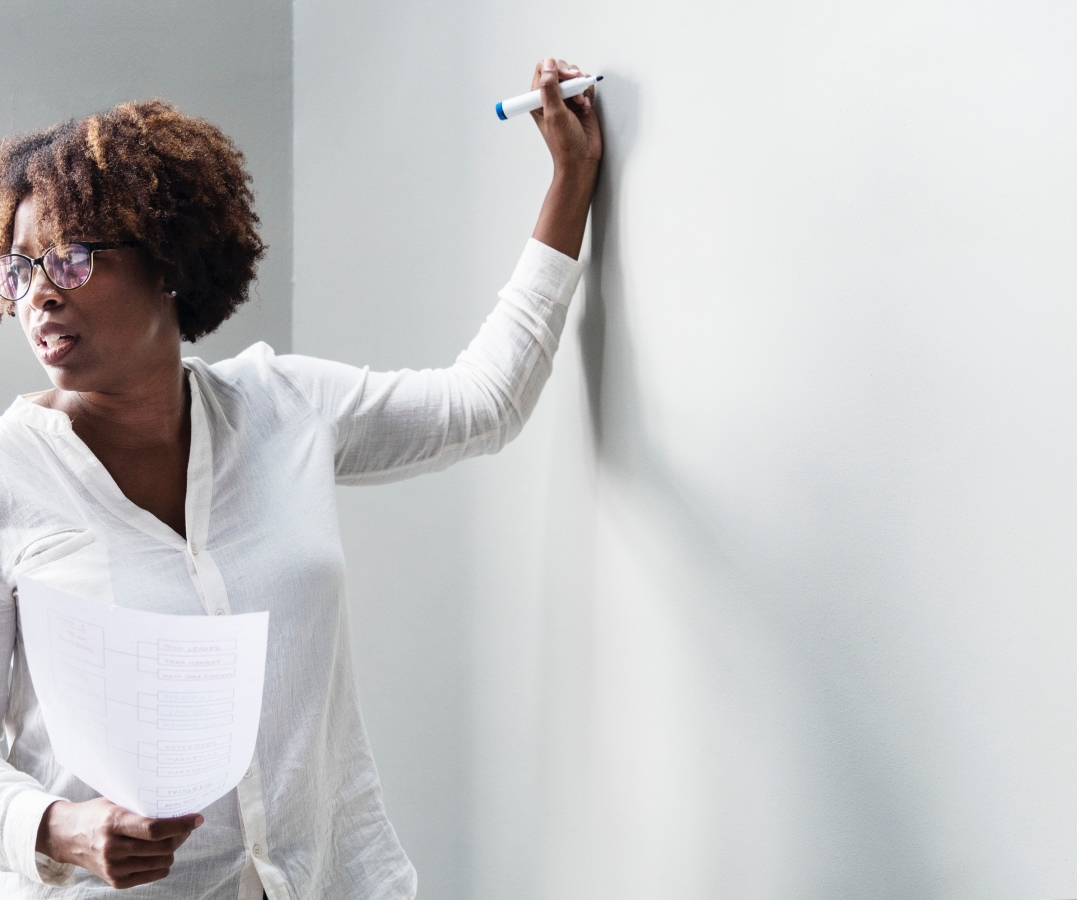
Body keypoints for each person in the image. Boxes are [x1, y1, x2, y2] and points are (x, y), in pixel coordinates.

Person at [0, 57, 601, 898]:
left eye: (69, 258)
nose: (38, 296)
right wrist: (56, 827)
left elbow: (482, 405)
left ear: (168, 258)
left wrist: (571, 179)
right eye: (19, 269)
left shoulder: (280, 404)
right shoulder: (11, 477)